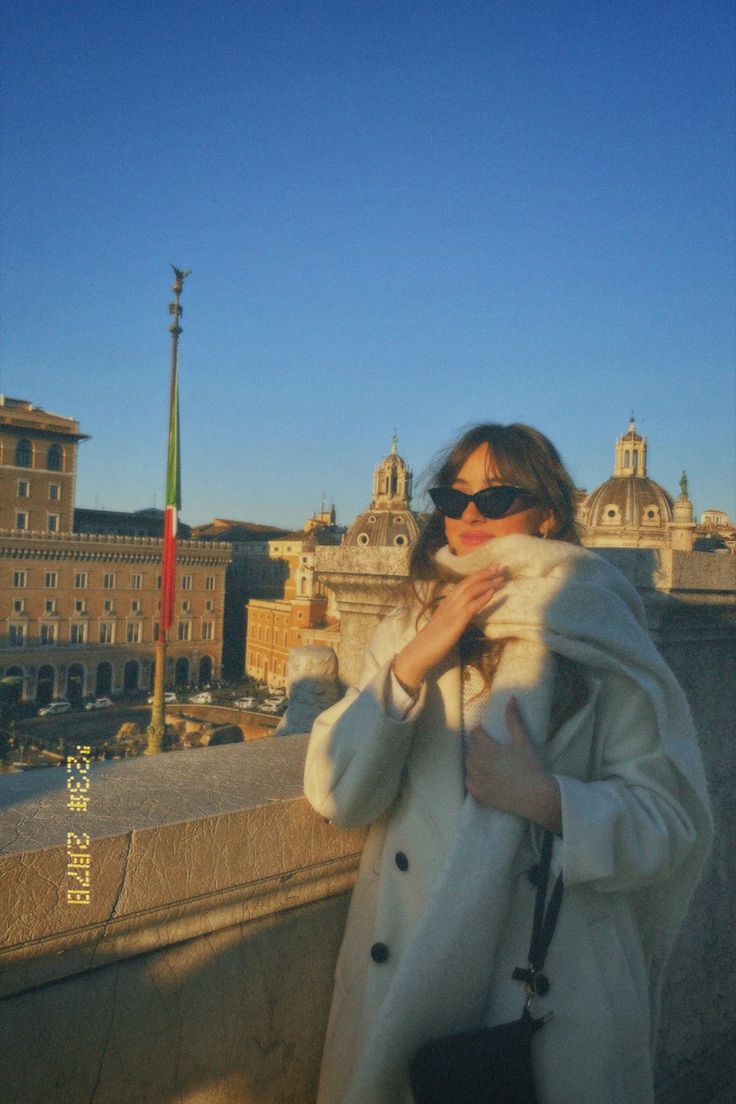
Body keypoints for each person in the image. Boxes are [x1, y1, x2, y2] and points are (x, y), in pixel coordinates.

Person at [304, 423, 712, 1104]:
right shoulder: (410, 624)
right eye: (453, 496)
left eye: (495, 499)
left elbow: (669, 826)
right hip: (409, 980)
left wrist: (549, 799)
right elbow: (338, 794)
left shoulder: (598, 629)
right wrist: (410, 665)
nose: (468, 516)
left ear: (547, 512)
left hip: (552, 1005)